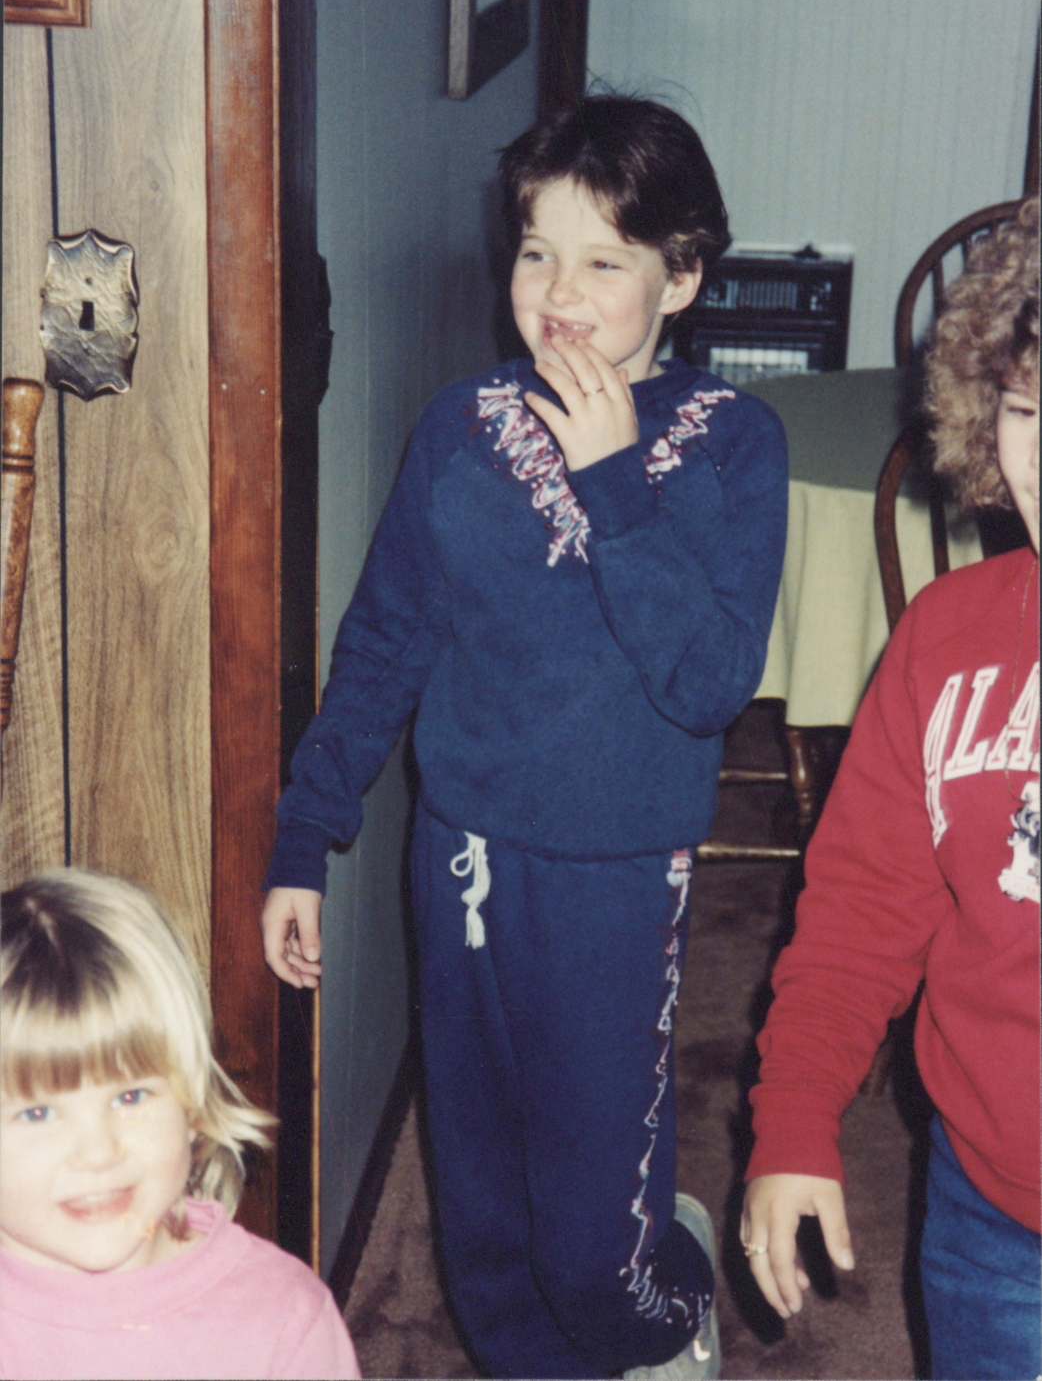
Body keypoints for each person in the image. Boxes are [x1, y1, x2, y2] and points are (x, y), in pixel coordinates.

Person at [262, 95, 788, 1381]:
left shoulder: (732, 445)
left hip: (618, 872)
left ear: (680, 277)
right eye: (537, 250)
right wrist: (303, 833)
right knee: (484, 1221)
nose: (558, 291)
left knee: (593, 1246)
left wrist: (613, 478)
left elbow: (708, 682)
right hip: (458, 856)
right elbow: (384, 638)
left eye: (604, 260)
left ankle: (671, 1296)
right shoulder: (460, 425)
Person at [742, 197, 1040, 1381]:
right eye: (1026, 410)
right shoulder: (944, 635)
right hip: (989, 1210)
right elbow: (862, 906)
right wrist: (793, 1117)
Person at [0, 869, 361, 1381]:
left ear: (193, 1106)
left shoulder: (283, 1319)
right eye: (37, 1113)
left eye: (129, 1096)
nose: (98, 1153)